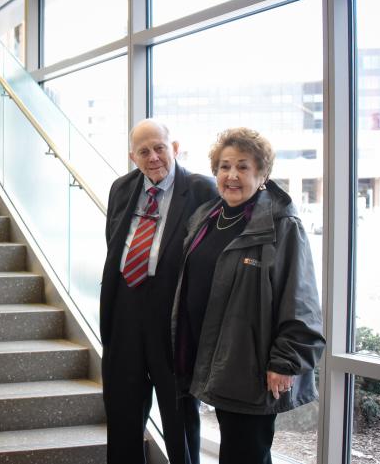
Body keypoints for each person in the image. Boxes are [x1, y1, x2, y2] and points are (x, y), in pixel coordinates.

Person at [171, 127, 324, 464]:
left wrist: (285, 361)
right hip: (209, 359)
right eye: (225, 167)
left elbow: (301, 300)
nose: (232, 176)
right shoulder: (206, 218)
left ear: (262, 173)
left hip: (251, 365)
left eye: (243, 166)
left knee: (245, 454)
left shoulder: (281, 225)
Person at [101, 119, 217, 464]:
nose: (153, 157)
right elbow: (114, 243)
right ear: (132, 156)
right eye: (144, 151)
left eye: (159, 148)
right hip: (124, 310)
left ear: (175, 148)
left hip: (172, 317)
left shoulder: (201, 190)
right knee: (122, 411)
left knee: (179, 415)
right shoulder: (121, 188)